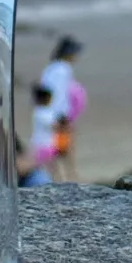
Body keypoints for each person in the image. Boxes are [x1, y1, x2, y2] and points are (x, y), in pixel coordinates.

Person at [40, 37, 85, 181]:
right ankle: (70, 178)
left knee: (53, 149)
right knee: (65, 149)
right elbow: (59, 94)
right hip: (59, 116)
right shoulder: (63, 69)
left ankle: (57, 179)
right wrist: (64, 117)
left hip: (49, 114)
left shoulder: (51, 68)